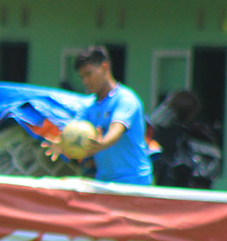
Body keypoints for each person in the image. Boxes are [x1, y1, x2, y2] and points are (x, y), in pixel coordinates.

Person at [44, 46, 154, 185]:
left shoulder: (125, 99)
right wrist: (63, 144)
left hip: (134, 182)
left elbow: (116, 129)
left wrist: (102, 143)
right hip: (104, 182)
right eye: (82, 76)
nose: (85, 81)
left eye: (89, 74)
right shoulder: (89, 105)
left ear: (104, 67)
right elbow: (74, 132)